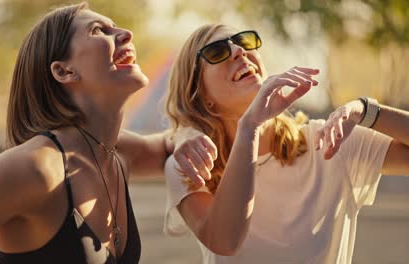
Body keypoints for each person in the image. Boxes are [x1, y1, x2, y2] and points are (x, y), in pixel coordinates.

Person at [0, 3, 213, 264]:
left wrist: (185, 136)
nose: (126, 34)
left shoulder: (115, 150)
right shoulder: (36, 168)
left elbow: (168, 146)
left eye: (115, 27)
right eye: (97, 30)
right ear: (64, 71)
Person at [163, 23, 409, 264]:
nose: (239, 51)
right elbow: (224, 241)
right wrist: (250, 127)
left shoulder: (329, 142)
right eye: (217, 51)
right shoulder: (188, 166)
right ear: (202, 96)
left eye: (243, 41)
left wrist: (365, 110)